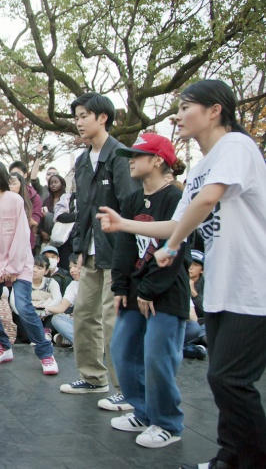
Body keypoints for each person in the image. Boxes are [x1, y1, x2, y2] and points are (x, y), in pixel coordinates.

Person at [97, 80, 266, 469]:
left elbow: (204, 205)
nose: (177, 115)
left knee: (231, 380)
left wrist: (173, 247)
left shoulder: (235, 146)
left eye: (185, 106)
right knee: (221, 380)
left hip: (252, 287)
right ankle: (230, 455)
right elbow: (175, 224)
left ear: (214, 110)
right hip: (223, 291)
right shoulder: (203, 166)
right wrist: (125, 224)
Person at [93, 133, 189, 447]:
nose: (131, 161)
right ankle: (144, 412)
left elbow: (176, 251)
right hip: (135, 293)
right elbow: (123, 245)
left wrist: (149, 289)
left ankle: (168, 424)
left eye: (138, 155)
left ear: (158, 160)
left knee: (157, 358)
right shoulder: (133, 200)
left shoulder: (175, 197)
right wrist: (121, 284)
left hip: (164, 293)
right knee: (121, 350)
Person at [61, 92, 138, 408]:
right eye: (76, 117)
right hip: (90, 251)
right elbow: (83, 210)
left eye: (83, 116)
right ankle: (94, 378)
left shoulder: (120, 155)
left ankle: (127, 389)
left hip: (118, 250)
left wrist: (127, 254)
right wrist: (78, 248)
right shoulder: (81, 161)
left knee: (112, 319)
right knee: (83, 315)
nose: (78, 122)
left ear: (102, 117)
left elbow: (130, 208)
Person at [0, 159, 58, 375]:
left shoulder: (14, 201)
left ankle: (46, 354)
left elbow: (21, 236)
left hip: (19, 264)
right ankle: (2, 347)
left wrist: (11, 267)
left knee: (24, 308)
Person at [48, 255, 81, 348]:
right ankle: (81, 343)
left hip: (96, 324)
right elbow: (62, 307)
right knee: (57, 318)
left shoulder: (97, 283)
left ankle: (72, 340)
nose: (72, 270)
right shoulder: (73, 285)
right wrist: (45, 308)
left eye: (76, 266)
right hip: (79, 323)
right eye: (70, 267)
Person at [9, 172, 42, 251]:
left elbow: (35, 221)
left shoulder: (34, 197)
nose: (10, 187)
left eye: (13, 183)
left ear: (22, 184)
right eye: (8, 184)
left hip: (25, 240)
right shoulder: (2, 198)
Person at [188, 249, 205, 320]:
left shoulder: (207, 284)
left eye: (195, 265)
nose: (190, 267)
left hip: (201, 323)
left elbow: (206, 312)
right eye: (189, 263)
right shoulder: (177, 278)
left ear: (202, 270)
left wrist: (193, 292)